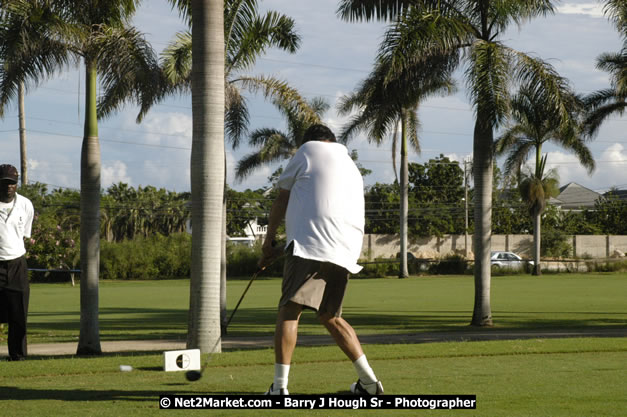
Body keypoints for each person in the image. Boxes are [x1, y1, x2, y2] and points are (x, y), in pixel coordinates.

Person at [258, 124, 383, 395]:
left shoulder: (307, 150)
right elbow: (321, 219)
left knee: (290, 309)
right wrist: (280, 252)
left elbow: (282, 199)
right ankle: (371, 383)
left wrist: (268, 241)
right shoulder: (350, 164)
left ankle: (279, 389)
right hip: (345, 251)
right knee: (329, 315)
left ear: (310, 141)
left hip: (312, 248)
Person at [0, 164, 34, 361]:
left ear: (17, 184)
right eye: (4, 183)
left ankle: (18, 356)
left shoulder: (25, 205)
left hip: (17, 265)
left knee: (18, 315)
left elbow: (23, 234)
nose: (8, 187)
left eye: (12, 183)